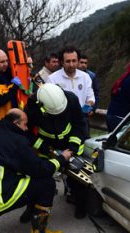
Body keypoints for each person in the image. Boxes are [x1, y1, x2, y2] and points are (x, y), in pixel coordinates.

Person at [0, 108, 72, 233]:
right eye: (25, 124)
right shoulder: (18, 142)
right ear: (16, 123)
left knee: (2, 179)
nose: (26, 129)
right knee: (47, 183)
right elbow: (41, 170)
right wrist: (61, 159)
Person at [22, 83, 87, 219]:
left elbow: (79, 124)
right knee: (40, 178)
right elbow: (26, 131)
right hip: (47, 146)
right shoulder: (33, 106)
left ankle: (80, 204)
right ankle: (32, 207)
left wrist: (73, 147)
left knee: (77, 179)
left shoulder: (71, 99)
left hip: (71, 144)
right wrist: (43, 147)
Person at [48, 46, 95, 139]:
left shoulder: (85, 77)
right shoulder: (52, 79)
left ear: (78, 61)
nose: (71, 64)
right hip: (62, 123)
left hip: (81, 121)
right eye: (68, 61)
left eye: (74, 61)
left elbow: (90, 98)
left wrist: (85, 109)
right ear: (62, 62)